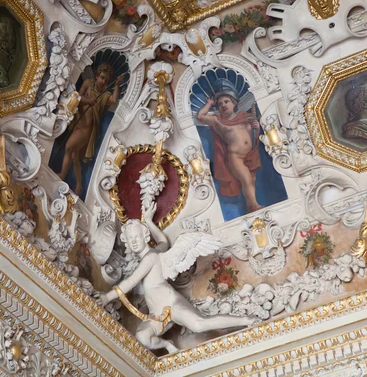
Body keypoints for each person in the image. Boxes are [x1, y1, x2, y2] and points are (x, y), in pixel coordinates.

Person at [99, 205, 255, 353]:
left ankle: (246, 320)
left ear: (145, 236)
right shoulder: (155, 253)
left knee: (199, 324)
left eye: (137, 236)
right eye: (130, 238)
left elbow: (130, 282)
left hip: (171, 305)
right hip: (156, 315)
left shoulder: (151, 257)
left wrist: (107, 297)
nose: (133, 241)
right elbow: (163, 242)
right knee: (142, 337)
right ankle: (167, 344)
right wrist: (148, 221)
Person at [197, 78, 262, 212]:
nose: (223, 105)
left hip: (250, 154)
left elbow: (253, 135)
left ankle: (251, 207)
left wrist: (257, 127)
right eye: (220, 104)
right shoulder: (217, 121)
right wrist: (209, 103)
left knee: (252, 180)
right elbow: (201, 116)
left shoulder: (244, 116)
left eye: (226, 102)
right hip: (235, 157)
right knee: (247, 180)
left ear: (234, 103)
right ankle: (255, 205)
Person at [58, 64, 123, 194]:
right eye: (102, 78)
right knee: (74, 157)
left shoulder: (104, 95)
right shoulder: (88, 83)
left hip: (86, 129)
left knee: (69, 147)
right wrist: (88, 100)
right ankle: (79, 185)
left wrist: (116, 85)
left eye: (106, 80)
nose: (103, 82)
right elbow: (77, 96)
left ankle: (62, 175)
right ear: (97, 75)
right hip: (77, 121)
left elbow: (114, 100)